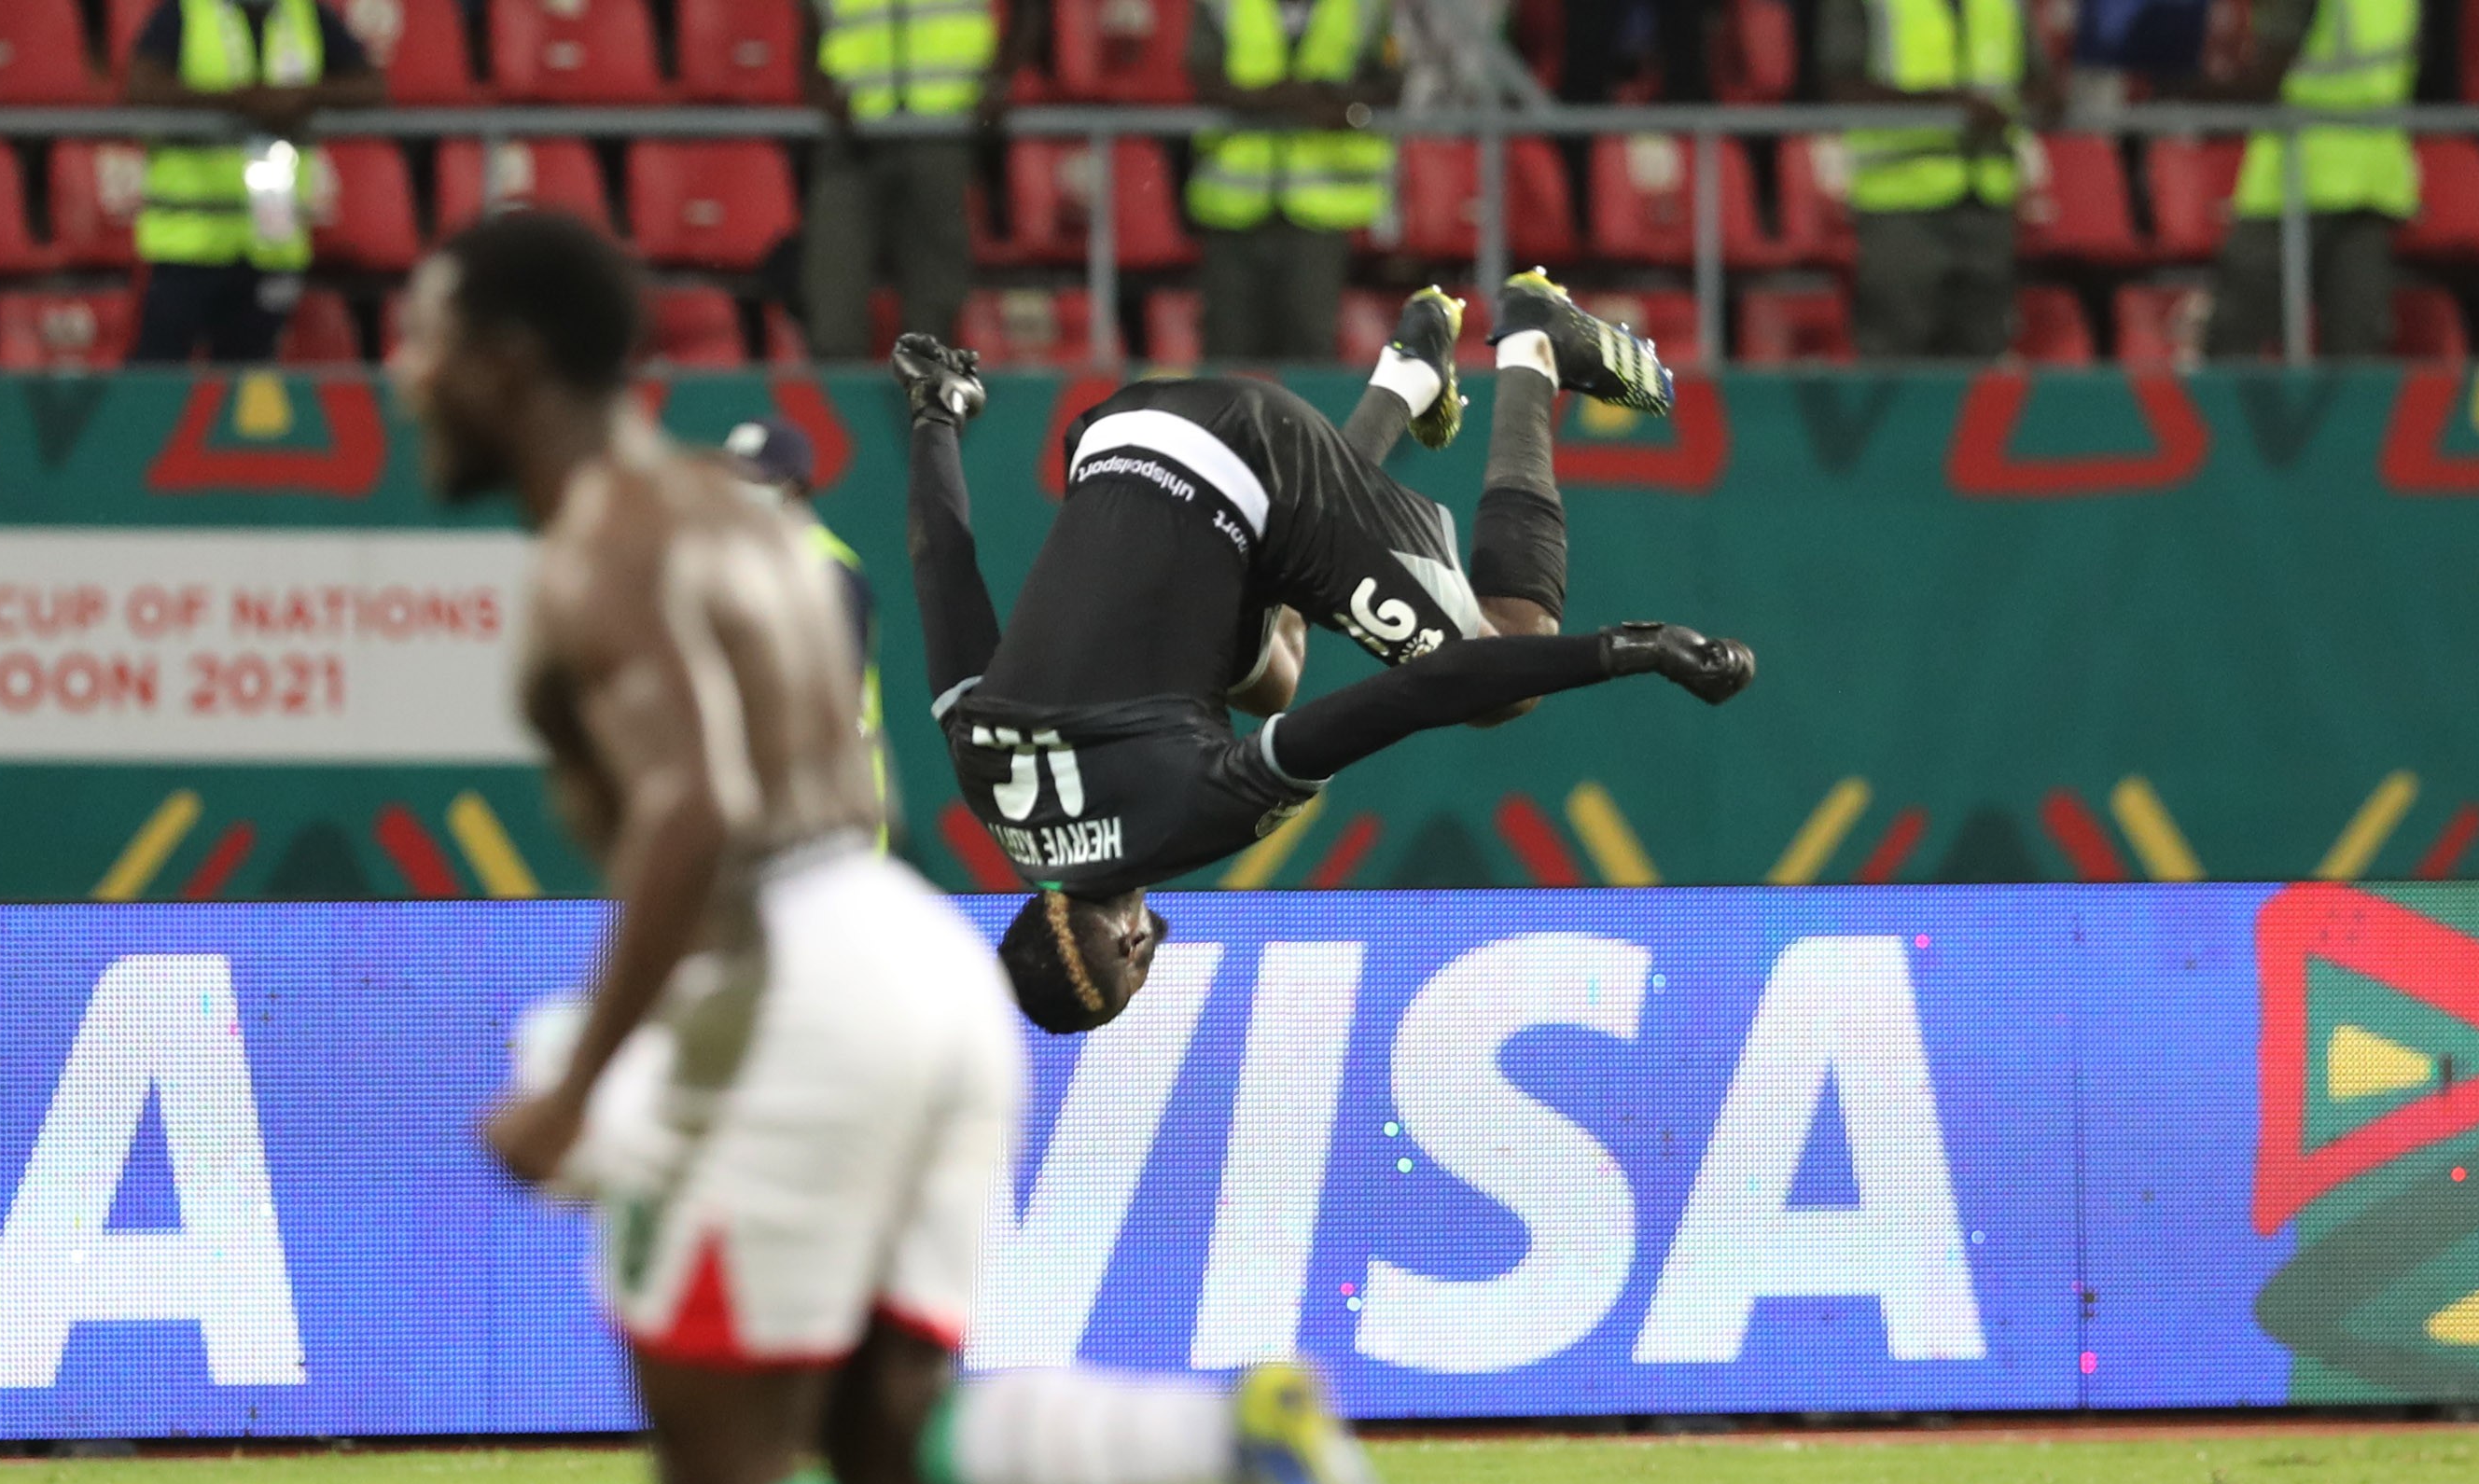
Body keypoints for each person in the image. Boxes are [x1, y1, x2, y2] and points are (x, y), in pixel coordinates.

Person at [390, 209, 1406, 1484]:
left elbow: (695, 811)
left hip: (790, 980)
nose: (405, 372)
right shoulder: (733, 520)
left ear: (507, 361)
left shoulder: (596, 559)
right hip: (918, 960)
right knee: (883, 1432)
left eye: (425, 337)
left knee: (722, 1461)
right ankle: (1239, 1431)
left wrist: (588, 1081)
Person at [898, 272, 1754, 1036]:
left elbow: (1420, 691)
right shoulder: (984, 777)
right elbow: (942, 565)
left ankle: (1535, 344)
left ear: (1128, 944)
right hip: (1114, 434)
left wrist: (1629, 649)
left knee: (1505, 673)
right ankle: (1409, 376)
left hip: (1252, 459)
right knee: (1266, 677)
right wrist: (937, 412)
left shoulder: (1185, 817)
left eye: (1136, 981)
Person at [123, 0, 386, 365]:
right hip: (186, 240)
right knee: (159, 374)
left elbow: (371, 87)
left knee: (251, 379)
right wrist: (239, 102)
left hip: (271, 239)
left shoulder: (306, 14)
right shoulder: (186, 11)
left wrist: (303, 96)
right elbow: (142, 88)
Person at [801, 0, 1043, 361]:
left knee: (935, 314)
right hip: (851, 130)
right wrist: (815, 83)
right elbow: (809, 16)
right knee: (832, 301)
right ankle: (837, 393)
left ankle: (929, 395)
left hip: (943, 126)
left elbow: (1032, 8)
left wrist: (1002, 78)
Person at [1822, 0, 2056, 360]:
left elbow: (2043, 87)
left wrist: (2014, 106)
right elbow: (1842, 89)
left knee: (1984, 357)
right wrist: (1944, 104)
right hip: (1899, 201)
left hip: (1988, 197)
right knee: (1895, 356)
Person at [1184, 0, 1402, 362]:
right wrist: (1280, 99)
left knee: (1311, 346)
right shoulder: (1224, 5)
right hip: (1234, 204)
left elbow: (1390, 82)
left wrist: (1338, 103)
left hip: (1321, 205)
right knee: (1228, 347)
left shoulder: (1364, 6)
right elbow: (1202, 77)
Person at [2196, 0, 2416, 358]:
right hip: (2371, 177)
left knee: (2236, 344)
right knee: (2357, 353)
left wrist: (2177, 91)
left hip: (2296, 174)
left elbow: (2264, 77)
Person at [719, 415, 900, 850]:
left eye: (754, 479)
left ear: (794, 489)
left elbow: (830, 699)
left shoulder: (828, 573)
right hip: (769, 814)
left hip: (834, 814)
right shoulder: (742, 571)